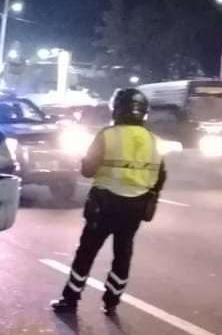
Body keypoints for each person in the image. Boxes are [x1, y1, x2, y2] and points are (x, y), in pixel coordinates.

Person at [51, 87, 166, 316]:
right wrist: (150, 196)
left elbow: (88, 170)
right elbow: (160, 176)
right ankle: (112, 301)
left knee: (87, 252)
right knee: (123, 253)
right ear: (144, 112)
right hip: (136, 205)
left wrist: (85, 160)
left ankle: (71, 299)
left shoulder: (108, 135)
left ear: (117, 109)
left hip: (104, 204)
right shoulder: (153, 140)